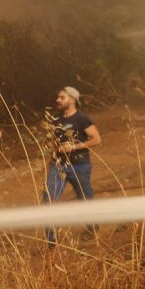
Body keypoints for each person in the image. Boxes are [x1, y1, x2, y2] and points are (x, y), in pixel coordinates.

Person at [43, 86, 102, 245]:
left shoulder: (82, 118)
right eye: (58, 97)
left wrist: (74, 147)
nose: (58, 100)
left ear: (72, 100)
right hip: (58, 166)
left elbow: (96, 139)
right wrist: (54, 152)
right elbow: (54, 141)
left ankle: (92, 228)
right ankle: (51, 240)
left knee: (85, 200)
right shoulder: (55, 120)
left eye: (62, 97)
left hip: (80, 166)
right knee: (48, 199)